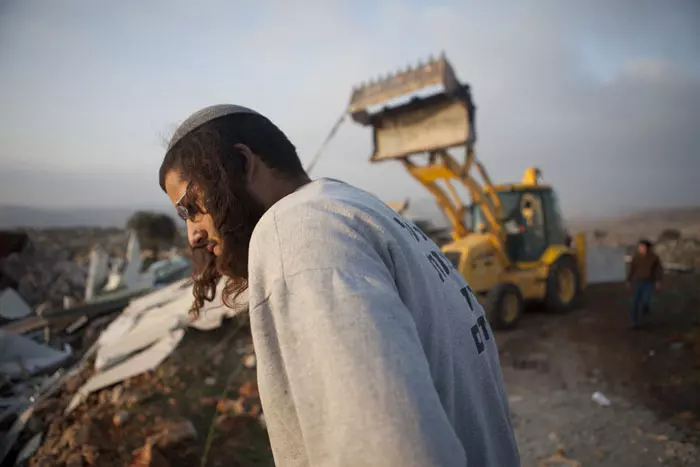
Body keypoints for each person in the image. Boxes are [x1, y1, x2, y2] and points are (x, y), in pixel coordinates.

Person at [159, 104, 520, 466]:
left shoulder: (297, 230)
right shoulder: (359, 211)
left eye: (190, 206)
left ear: (240, 165)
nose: (192, 234)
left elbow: (388, 453)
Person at [626, 239, 663, 328]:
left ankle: (644, 313)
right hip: (638, 281)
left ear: (647, 247)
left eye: (642, 246)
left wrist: (658, 281)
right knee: (635, 302)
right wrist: (629, 280)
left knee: (646, 301)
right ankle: (633, 322)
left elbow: (658, 270)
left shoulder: (654, 257)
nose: (640, 248)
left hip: (649, 282)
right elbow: (632, 269)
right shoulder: (636, 257)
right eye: (639, 246)